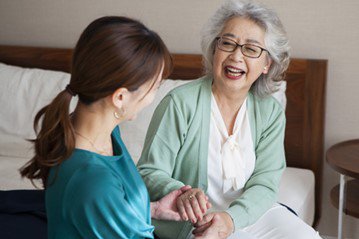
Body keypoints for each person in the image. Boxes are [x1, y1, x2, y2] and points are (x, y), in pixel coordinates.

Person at [137, 1, 322, 238]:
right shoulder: (180, 103)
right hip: (195, 221)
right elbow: (149, 171)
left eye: (251, 49)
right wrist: (181, 193)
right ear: (214, 49)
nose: (236, 56)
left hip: (252, 214)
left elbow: (265, 184)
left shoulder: (270, 112)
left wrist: (232, 219)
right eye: (227, 43)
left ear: (267, 64)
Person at [20, 16, 203, 238]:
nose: (152, 97)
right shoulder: (92, 179)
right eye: (155, 87)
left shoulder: (101, 133)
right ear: (120, 97)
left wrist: (153, 209)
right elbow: (99, 198)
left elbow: (106, 208)